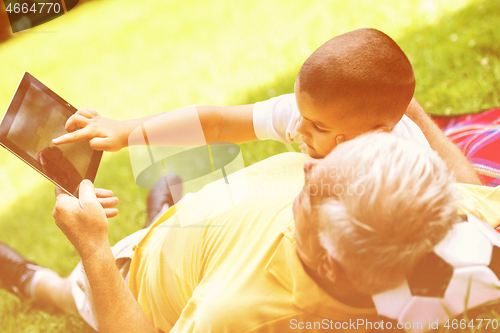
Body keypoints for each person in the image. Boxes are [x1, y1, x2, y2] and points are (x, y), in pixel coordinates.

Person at [0, 132, 461, 332]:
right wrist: (407, 108)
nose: (307, 163)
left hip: (131, 280)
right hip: (195, 240)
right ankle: (161, 211)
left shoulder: (233, 315)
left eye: (309, 192)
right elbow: (473, 192)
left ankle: (27, 278)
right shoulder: (430, 210)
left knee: (71, 290)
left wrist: (93, 246)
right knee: (171, 197)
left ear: (330, 266)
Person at [51, 28, 481, 185]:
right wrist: (128, 132)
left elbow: (473, 206)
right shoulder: (308, 118)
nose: (300, 130)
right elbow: (215, 122)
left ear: (373, 138)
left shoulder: (404, 173)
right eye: (301, 114)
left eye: (316, 127)